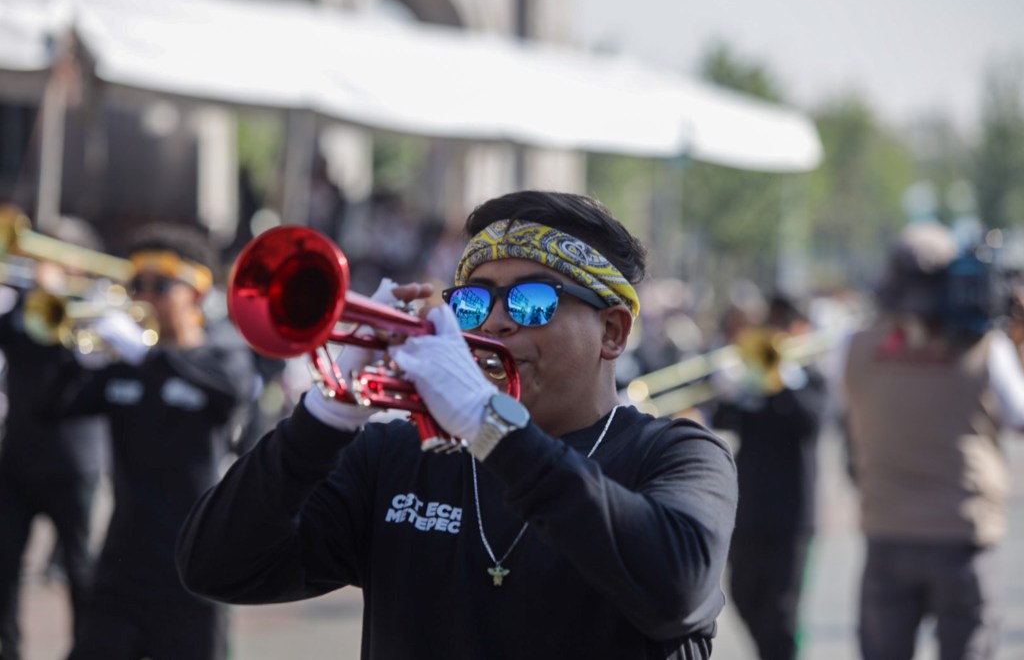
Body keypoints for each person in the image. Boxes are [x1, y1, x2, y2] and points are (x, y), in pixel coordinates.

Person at [176, 190, 739, 659]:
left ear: (613, 333)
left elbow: (675, 586)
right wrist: (327, 416)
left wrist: (487, 424)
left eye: (532, 302)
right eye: (472, 302)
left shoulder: (678, 455)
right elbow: (215, 566)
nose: (494, 322)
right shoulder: (394, 456)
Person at [44, 223, 256, 660]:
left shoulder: (222, 352)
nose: (144, 297)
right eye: (136, 284)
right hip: (123, 564)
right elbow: (51, 410)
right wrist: (76, 362)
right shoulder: (127, 360)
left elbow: (234, 390)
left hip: (193, 565)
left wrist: (151, 354)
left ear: (196, 293)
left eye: (160, 285)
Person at [831, 222, 1024, 660]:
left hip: (885, 534)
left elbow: (841, 406)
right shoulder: (986, 349)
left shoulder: (853, 345)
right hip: (963, 537)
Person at [0, 216, 110, 660]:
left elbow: (94, 364)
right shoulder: (24, 310)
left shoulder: (98, 312)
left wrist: (68, 303)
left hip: (74, 464)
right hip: (18, 460)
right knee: (4, 568)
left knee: (80, 572)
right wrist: (34, 298)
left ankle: (86, 651)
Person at [710, 294, 828, 660]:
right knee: (743, 595)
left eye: (785, 325)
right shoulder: (752, 376)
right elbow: (722, 420)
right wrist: (734, 390)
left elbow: (811, 423)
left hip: (792, 515)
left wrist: (784, 380)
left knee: (781, 611)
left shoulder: (809, 380)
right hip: (748, 509)